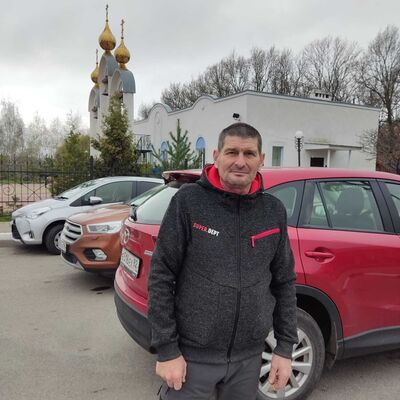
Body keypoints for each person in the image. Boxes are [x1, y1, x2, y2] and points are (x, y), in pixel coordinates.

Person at [148, 122, 298, 400]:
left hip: (248, 360)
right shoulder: (188, 202)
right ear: (216, 156)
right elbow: (161, 275)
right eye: (232, 152)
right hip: (191, 357)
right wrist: (167, 350)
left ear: (261, 160)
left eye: (249, 153)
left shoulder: (273, 211)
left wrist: (285, 348)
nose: (240, 161)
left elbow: (284, 282)